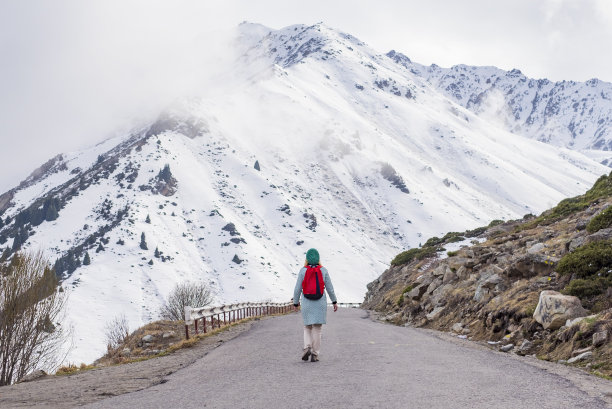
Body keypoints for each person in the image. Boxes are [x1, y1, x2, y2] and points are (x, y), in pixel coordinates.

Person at [293, 248, 337, 362]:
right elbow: (330, 289)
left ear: (307, 258)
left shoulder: (303, 271)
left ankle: (307, 347)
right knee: (317, 329)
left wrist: (295, 303)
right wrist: (334, 302)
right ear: (318, 258)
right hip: (320, 302)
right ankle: (315, 354)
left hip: (307, 302)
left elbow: (297, 289)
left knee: (307, 327)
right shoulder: (323, 270)